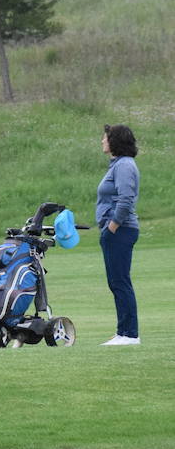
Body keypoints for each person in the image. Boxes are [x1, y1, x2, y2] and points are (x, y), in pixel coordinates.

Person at [96, 124, 141, 346]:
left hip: (120, 231)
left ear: (114, 141)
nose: (102, 141)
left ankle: (130, 335)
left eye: (105, 138)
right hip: (115, 230)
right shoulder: (117, 165)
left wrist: (112, 226)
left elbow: (126, 199)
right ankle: (123, 332)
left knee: (120, 282)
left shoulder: (124, 166)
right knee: (116, 282)